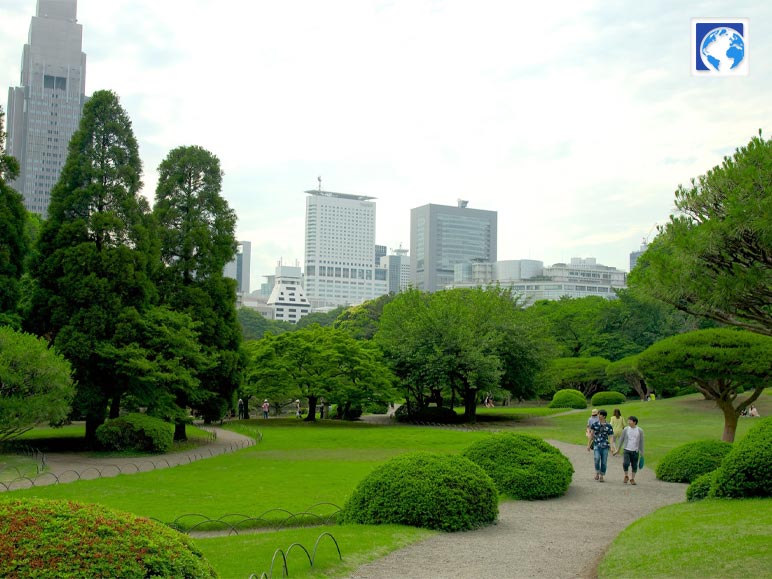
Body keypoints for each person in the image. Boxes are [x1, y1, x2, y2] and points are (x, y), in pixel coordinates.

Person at [614, 415, 645, 485]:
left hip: (635, 451)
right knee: (626, 463)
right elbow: (621, 439)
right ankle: (626, 475)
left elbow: (641, 442)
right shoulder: (626, 429)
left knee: (634, 465)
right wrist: (618, 449)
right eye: (628, 420)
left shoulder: (640, 430)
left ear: (634, 422)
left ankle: (632, 478)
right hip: (626, 449)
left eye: (630, 421)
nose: (628, 422)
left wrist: (642, 452)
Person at [587, 409, 614, 482]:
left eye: (600, 414)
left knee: (604, 461)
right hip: (596, 444)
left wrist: (612, 447)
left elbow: (611, 437)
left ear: (604, 416)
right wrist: (588, 445)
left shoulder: (609, 426)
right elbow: (591, 435)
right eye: (598, 414)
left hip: (605, 446)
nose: (598, 416)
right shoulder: (595, 424)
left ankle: (602, 475)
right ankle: (597, 472)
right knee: (596, 458)